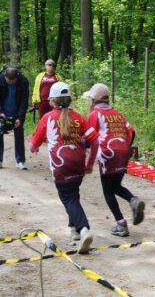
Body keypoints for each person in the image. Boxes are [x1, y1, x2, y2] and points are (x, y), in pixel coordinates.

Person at [29, 82, 99, 253]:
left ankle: (84, 230)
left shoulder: (48, 118)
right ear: (69, 99)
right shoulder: (79, 117)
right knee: (73, 194)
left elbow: (34, 143)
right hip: (78, 163)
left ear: (52, 101)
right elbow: (95, 140)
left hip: (61, 165)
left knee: (68, 199)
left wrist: (34, 148)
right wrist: (90, 163)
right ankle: (74, 229)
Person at [84, 83, 145, 237]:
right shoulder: (117, 113)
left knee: (107, 191)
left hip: (107, 153)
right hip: (123, 151)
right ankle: (133, 200)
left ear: (93, 100)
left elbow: (88, 138)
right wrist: (124, 146)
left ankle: (121, 224)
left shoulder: (94, 114)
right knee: (116, 185)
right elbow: (131, 132)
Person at [0, 67, 29, 170]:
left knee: (19, 135)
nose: (11, 83)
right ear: (5, 76)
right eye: (9, 81)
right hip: (1, 112)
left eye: (13, 81)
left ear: (17, 77)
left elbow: (24, 101)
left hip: (17, 112)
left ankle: (20, 161)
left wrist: (20, 117)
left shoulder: (23, 81)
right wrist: (0, 113)